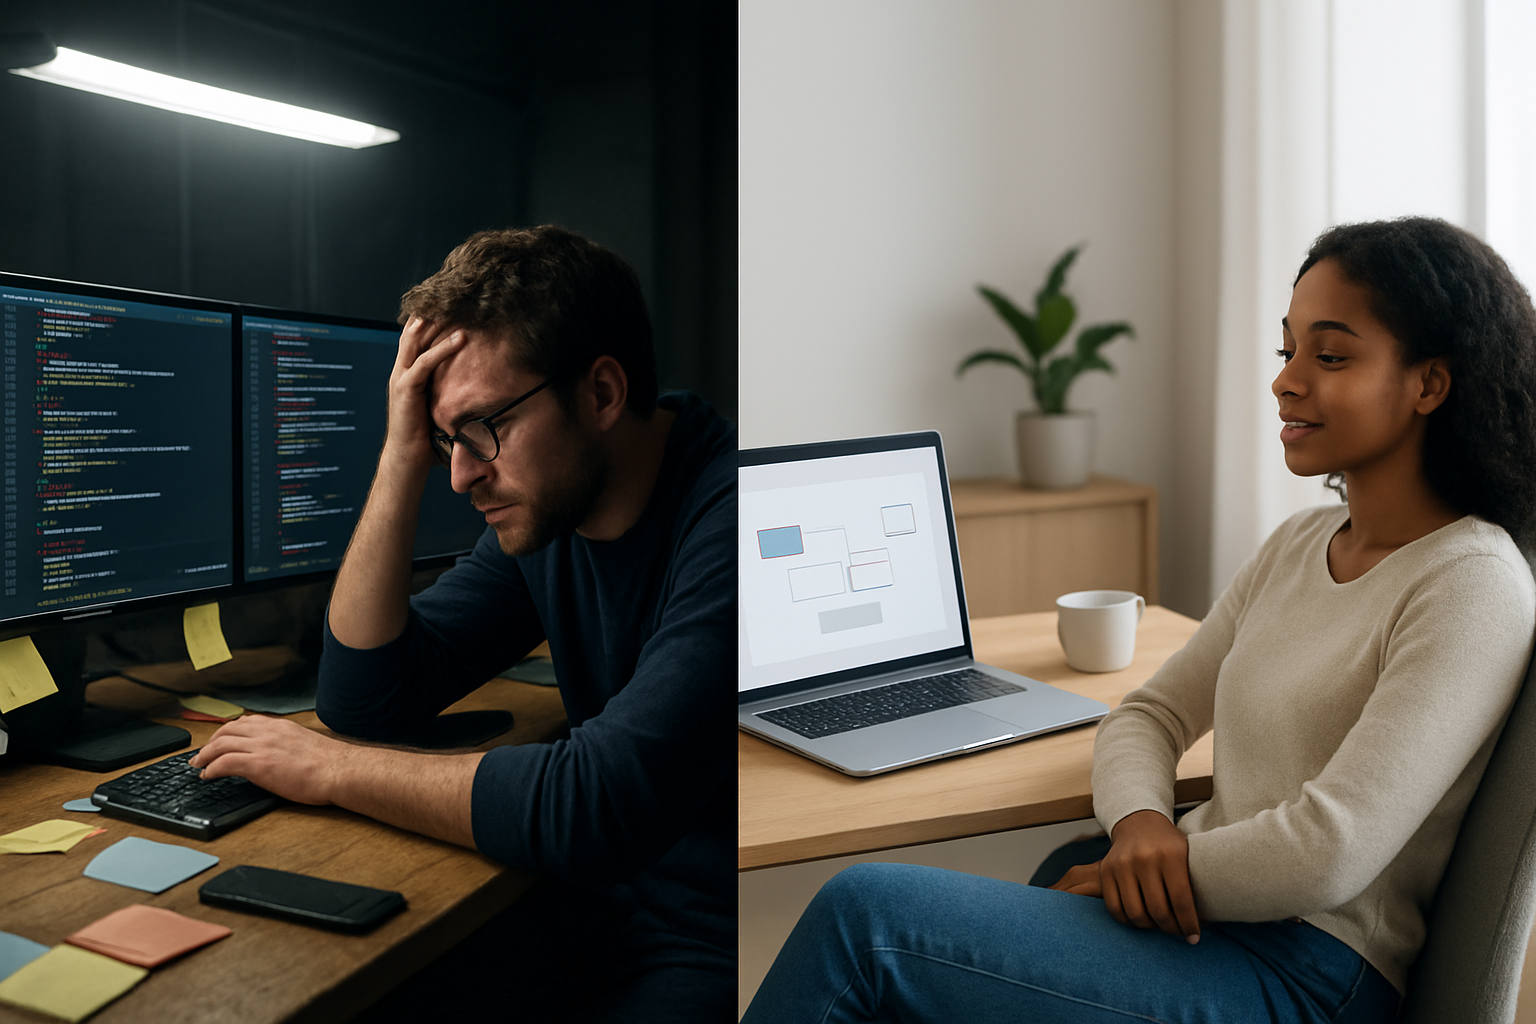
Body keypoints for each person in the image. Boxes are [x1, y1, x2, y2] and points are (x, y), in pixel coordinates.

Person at [742, 217, 1536, 1023]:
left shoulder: (1471, 583)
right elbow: (1150, 717)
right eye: (1285, 350)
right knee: (1023, 882)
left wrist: (1174, 862)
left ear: (1429, 384)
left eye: (1328, 356)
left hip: (1310, 974)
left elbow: (1331, 850)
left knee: (865, 917)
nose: (1286, 381)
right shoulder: (1299, 544)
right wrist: (1143, 825)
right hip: (1209, 925)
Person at [190, 225, 735, 1022]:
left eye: (484, 427)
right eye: (445, 440)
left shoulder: (737, 517)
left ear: (603, 393)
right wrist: (400, 454)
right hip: (598, 910)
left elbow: (598, 803)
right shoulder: (551, 517)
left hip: (718, 934)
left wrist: (334, 771)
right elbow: (367, 697)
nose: (461, 474)